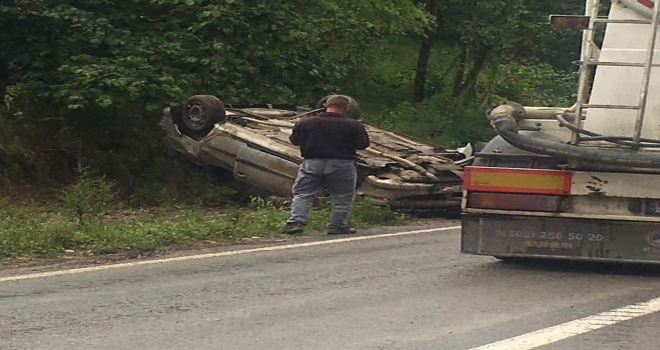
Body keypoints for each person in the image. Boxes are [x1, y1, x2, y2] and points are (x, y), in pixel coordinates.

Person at [282, 95, 370, 235]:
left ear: (324, 105)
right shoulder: (353, 125)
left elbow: (295, 141)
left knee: (303, 193)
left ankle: (295, 223)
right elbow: (362, 145)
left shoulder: (305, 122)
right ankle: (337, 225)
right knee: (342, 196)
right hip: (342, 164)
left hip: (312, 163)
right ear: (347, 108)